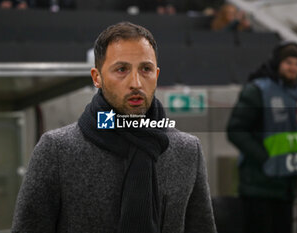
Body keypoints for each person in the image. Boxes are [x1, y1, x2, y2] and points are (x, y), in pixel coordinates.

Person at [11, 22, 216, 233]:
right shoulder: (57, 150)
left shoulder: (187, 150)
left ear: (156, 74)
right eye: (121, 69)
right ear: (97, 78)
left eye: (146, 69)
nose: (136, 82)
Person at [227, 41, 297, 233]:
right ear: (278, 63)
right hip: (258, 186)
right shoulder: (258, 90)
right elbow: (236, 130)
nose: (293, 67)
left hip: (287, 185)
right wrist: (266, 158)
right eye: (288, 62)